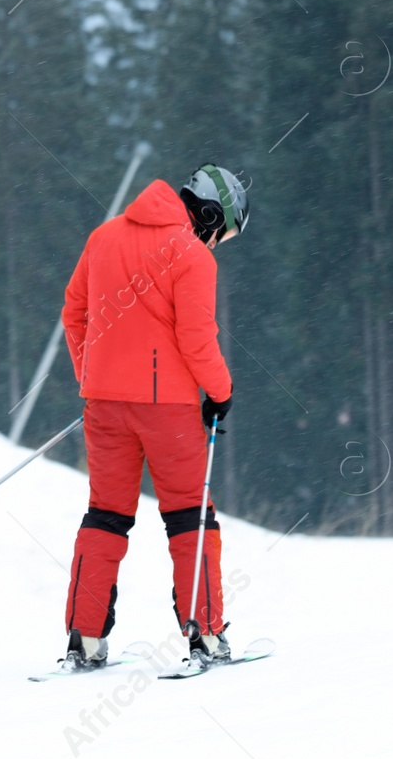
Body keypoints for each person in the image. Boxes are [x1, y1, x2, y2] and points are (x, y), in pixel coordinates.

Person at [57, 163, 250, 670]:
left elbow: (73, 311)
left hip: (104, 407)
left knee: (106, 516)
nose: (217, 242)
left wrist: (90, 375)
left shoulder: (103, 238)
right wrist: (221, 392)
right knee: (190, 517)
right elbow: (196, 339)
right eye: (222, 231)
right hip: (171, 409)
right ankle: (205, 636)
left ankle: (85, 639)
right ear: (210, 213)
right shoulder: (192, 256)